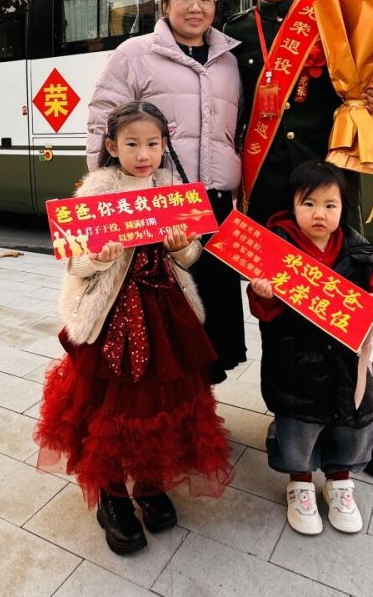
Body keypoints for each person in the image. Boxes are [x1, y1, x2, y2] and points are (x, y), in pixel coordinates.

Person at [225, 0, 373, 477]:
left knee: (350, 308)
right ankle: (289, 418)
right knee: (277, 316)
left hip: (330, 194)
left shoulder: (333, 22)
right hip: (266, 198)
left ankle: (358, 421)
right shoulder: (232, 33)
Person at [35, 101, 233, 556]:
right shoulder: (96, 190)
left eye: (153, 144)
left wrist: (181, 248)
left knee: (162, 399)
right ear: (111, 146)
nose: (144, 154)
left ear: (164, 145)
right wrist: (97, 257)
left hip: (166, 310)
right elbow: (74, 264)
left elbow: (191, 255)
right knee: (109, 404)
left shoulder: (171, 186)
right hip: (112, 314)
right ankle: (112, 495)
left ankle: (148, 482)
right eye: (132, 144)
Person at [86, 0, 245, 383]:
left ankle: (199, 408)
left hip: (215, 205)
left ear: (216, 5)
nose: (196, 7)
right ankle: (168, 407)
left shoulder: (229, 60)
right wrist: (106, 191)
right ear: (165, 3)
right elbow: (102, 121)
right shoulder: (134, 54)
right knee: (166, 321)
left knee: (211, 323)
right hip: (159, 203)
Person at [248, 161, 373, 536]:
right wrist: (262, 293)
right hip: (295, 364)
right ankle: (299, 484)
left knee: (353, 426)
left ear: (343, 208)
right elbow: (265, 314)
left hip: (349, 366)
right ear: (292, 206)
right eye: (309, 204)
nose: (320, 214)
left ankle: (340, 481)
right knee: (298, 428)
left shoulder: (360, 252)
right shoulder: (276, 248)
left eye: (330, 205)